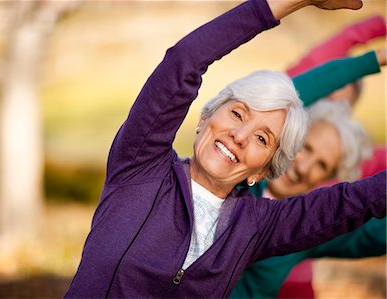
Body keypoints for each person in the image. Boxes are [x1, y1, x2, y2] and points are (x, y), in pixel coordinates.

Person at [64, 0, 385, 297]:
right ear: (204, 117)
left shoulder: (258, 225)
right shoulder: (140, 165)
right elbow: (184, 60)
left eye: (263, 139)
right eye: (236, 113)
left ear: (262, 170)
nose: (241, 135)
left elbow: (356, 201)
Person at [229, 101, 386, 299]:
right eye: (306, 147)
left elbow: (373, 236)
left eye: (322, 165)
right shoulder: (236, 177)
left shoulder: (307, 223)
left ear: (327, 178)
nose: (303, 168)